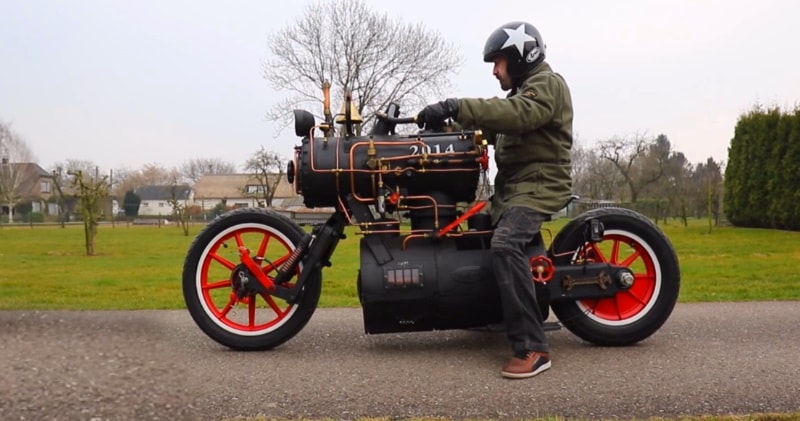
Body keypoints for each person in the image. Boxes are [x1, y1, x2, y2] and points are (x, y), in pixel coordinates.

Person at [415, 21, 574, 379]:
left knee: (504, 245)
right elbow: (481, 130)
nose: (494, 70)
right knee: (475, 229)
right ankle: (494, 312)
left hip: (539, 187)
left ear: (519, 59)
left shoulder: (547, 86)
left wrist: (456, 105)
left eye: (498, 62)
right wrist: (435, 129)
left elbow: (516, 116)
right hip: (514, 191)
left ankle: (532, 348)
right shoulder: (520, 95)